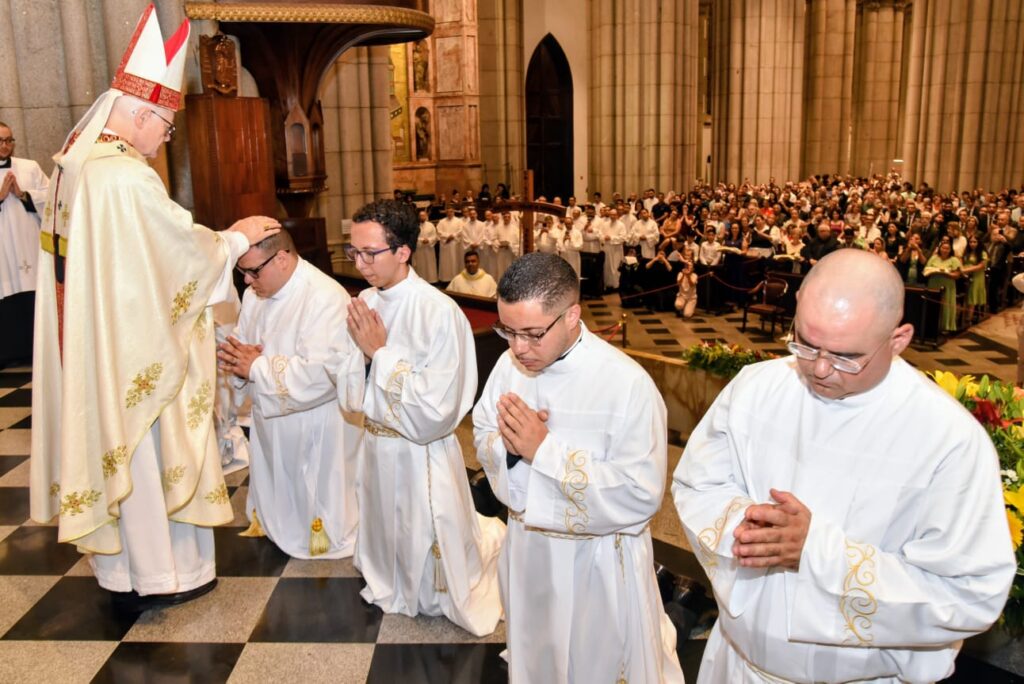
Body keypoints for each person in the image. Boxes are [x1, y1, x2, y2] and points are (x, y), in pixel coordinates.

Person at [30, 5, 281, 607]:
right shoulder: (124, 178)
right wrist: (238, 237)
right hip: (128, 344)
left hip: (93, 339)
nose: (165, 138)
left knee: (119, 447)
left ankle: (123, 570)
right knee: (144, 445)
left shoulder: (75, 167)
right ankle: (163, 572)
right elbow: (175, 256)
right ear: (140, 113)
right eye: (165, 126)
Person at [673, 249, 1015, 683]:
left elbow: (969, 595)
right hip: (739, 664)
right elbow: (697, 484)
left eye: (845, 356)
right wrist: (752, 527)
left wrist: (817, 552)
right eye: (805, 343)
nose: (818, 369)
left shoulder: (948, 440)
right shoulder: (756, 389)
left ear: (898, 339)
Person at [473, 252, 684, 684]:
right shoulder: (508, 366)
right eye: (507, 331)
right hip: (529, 550)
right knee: (537, 654)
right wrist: (510, 452)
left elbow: (640, 494)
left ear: (572, 315)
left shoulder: (626, 385)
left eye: (532, 334)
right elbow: (481, 431)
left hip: (598, 562)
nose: (517, 348)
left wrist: (544, 450)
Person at [339, 198, 503, 636]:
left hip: (419, 455)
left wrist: (381, 354)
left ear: (403, 252)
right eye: (353, 252)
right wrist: (366, 361)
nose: (359, 263)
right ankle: (388, 576)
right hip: (376, 444)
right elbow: (347, 382)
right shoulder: (364, 302)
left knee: (421, 536)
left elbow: (440, 408)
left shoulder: (438, 312)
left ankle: (425, 587)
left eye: (369, 253)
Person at [218, 231, 359, 559]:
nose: (249, 282)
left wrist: (256, 367)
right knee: (276, 473)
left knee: (310, 484)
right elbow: (244, 341)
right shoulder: (256, 295)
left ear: (281, 258)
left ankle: (315, 532)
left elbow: (323, 372)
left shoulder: (324, 297)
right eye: (243, 273)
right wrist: (237, 358)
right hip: (271, 416)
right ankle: (272, 521)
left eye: (254, 272)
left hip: (314, 420)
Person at [0, 121, 49, 366]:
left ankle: (37, 351)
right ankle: (8, 354)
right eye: (1, 141)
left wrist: (24, 195)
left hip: (28, 241)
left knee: (33, 295)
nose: (6, 146)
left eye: (9, 140)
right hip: (3, 248)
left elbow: (52, 199)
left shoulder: (30, 168)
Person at [924, 240, 962, 333]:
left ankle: (945, 327)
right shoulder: (933, 258)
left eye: (947, 248)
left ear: (950, 250)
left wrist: (946, 273)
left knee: (946, 306)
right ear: (940, 248)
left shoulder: (954, 260)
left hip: (947, 286)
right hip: (934, 284)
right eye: (943, 248)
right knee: (933, 305)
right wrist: (934, 271)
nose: (945, 250)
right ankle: (931, 325)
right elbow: (926, 270)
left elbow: (957, 275)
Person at [435, 205, 464, 282]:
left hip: (454, 244)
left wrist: (453, 236)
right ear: (446, 212)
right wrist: (448, 236)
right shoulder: (441, 221)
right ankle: (445, 278)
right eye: (448, 212)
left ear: (453, 212)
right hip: (445, 244)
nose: (449, 213)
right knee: (445, 262)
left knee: (454, 261)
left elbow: (460, 230)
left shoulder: (459, 221)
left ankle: (455, 278)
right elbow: (439, 231)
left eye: (451, 211)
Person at [412, 209, 439, 283]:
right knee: (421, 266)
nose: (422, 217)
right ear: (418, 217)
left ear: (426, 216)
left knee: (430, 265)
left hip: (429, 250)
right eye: (420, 216)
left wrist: (429, 240)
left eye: (423, 215)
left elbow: (435, 236)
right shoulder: (415, 226)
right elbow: (413, 237)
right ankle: (421, 281)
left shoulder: (431, 225)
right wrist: (421, 241)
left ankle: (432, 280)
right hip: (419, 250)